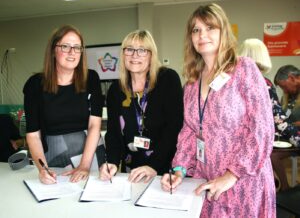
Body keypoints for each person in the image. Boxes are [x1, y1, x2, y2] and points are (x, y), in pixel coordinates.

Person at [161, 3, 276, 217]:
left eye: (210, 28)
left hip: (244, 182)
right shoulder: (192, 83)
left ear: (223, 31)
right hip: (207, 180)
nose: (202, 35)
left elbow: (263, 129)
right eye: (196, 30)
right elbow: (189, 131)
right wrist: (179, 170)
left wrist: (231, 175)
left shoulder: (244, 69)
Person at [99, 30, 183, 183]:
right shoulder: (116, 90)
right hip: (131, 172)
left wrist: (153, 166)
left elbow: (174, 128)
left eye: (142, 50)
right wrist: (111, 161)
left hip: (164, 172)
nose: (134, 55)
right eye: (129, 49)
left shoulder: (167, 79)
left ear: (151, 55)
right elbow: (113, 133)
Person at [23, 25, 104, 184]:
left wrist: (85, 165)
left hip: (90, 151)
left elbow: (95, 124)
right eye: (65, 46)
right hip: (55, 153)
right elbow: (33, 134)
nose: (72, 52)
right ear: (53, 50)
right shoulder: (35, 85)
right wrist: (43, 169)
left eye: (77, 47)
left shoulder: (91, 78)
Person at [239, 39, 300, 190]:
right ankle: (286, 192)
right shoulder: (263, 83)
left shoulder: (234, 80)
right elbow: (278, 120)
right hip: (258, 141)